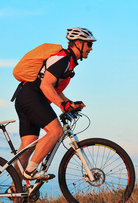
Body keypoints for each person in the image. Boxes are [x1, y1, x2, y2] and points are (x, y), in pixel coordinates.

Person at [14, 27, 96, 180]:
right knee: (56, 132)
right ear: (78, 43)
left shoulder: (67, 61)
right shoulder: (64, 59)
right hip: (32, 97)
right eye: (89, 45)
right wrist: (62, 105)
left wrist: (68, 103)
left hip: (25, 97)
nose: (91, 49)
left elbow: (54, 88)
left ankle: (16, 189)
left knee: (27, 147)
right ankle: (30, 171)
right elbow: (46, 85)